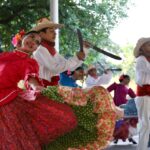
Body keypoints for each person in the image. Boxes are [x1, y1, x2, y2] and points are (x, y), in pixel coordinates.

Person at [0, 31, 77, 150]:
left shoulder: (29, 62)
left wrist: (36, 86)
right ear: (23, 37)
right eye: (31, 37)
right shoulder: (4, 55)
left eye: (37, 43)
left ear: (36, 48)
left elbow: (30, 77)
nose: (33, 42)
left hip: (6, 101)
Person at [31, 18, 89, 86]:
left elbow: (70, 68)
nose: (55, 33)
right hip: (42, 87)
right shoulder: (40, 50)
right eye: (51, 31)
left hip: (51, 87)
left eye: (54, 31)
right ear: (41, 34)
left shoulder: (52, 50)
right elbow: (55, 68)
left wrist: (84, 51)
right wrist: (76, 58)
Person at [107, 74, 137, 144]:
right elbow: (106, 91)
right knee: (116, 122)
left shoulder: (128, 89)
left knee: (126, 122)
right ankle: (116, 137)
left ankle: (129, 137)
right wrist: (110, 100)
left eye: (129, 79)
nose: (129, 80)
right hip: (116, 107)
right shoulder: (115, 85)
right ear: (123, 79)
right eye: (128, 79)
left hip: (124, 108)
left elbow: (135, 97)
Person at [133, 37, 150, 150]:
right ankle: (142, 148)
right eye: (148, 45)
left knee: (146, 123)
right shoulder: (141, 59)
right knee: (145, 123)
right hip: (144, 95)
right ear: (142, 48)